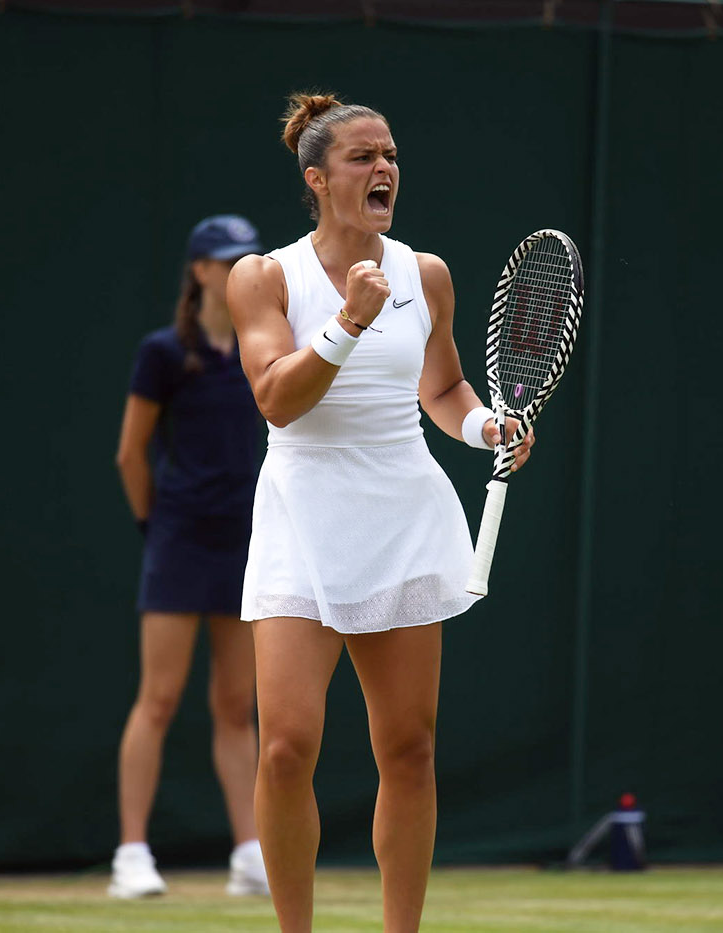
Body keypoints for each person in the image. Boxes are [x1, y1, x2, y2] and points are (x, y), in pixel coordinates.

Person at [227, 93, 535, 933]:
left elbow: (441, 388)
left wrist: (486, 426)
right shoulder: (261, 277)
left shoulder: (425, 273)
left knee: (409, 750)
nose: (384, 168)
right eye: (363, 157)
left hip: (403, 511)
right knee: (286, 748)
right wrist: (347, 321)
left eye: (391, 153)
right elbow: (276, 401)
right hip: (301, 512)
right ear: (318, 180)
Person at [110, 215, 271, 899]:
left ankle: (249, 852)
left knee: (238, 706)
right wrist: (156, 524)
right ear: (200, 271)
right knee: (160, 698)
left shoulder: (269, 345)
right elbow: (129, 453)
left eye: (248, 259)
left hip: (249, 540)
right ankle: (132, 854)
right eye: (226, 259)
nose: (239, 268)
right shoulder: (162, 353)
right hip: (179, 538)